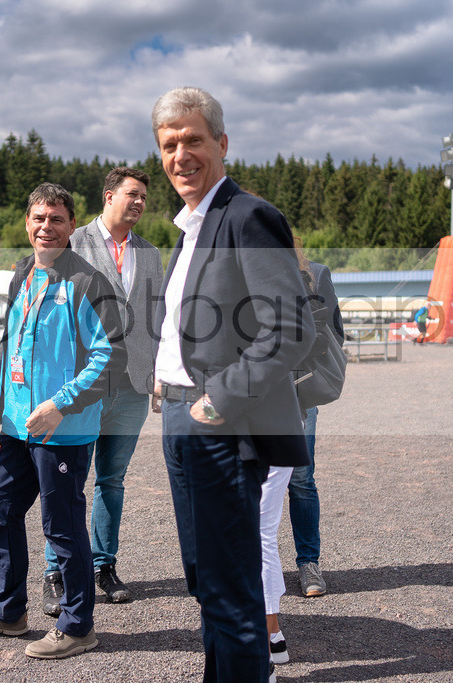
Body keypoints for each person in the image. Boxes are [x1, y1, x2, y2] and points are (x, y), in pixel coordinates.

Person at [149, 87, 315, 683]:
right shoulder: (194, 225)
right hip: (177, 416)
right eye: (169, 144)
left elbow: (291, 327)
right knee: (208, 580)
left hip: (217, 424)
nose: (181, 154)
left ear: (222, 143)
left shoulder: (247, 216)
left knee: (231, 584)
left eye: (194, 140)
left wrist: (217, 400)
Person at [0, 183, 126, 661]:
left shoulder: (89, 282)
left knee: (62, 526)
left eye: (56, 219)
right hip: (16, 426)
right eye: (38, 218)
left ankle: (77, 626)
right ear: (27, 223)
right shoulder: (23, 272)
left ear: (72, 226)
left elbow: (111, 358)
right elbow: (12, 339)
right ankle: (10, 613)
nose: (46, 227)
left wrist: (61, 404)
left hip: (62, 429)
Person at [39, 167, 163, 615]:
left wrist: (159, 373)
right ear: (109, 196)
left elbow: (157, 316)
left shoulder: (149, 254)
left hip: (132, 386)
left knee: (112, 479)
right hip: (83, 384)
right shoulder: (72, 241)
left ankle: (102, 566)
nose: (140, 203)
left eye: (145, 197)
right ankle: (56, 570)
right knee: (67, 480)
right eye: (132, 194)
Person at [261, 257, 343, 667]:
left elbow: (335, 333)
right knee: (258, 495)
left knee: (302, 479)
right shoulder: (244, 272)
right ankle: (262, 578)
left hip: (298, 392)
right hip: (254, 395)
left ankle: (308, 563)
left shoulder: (316, 273)